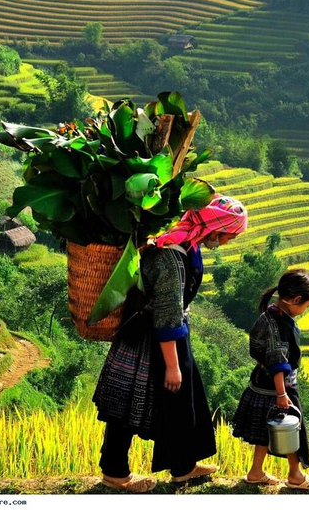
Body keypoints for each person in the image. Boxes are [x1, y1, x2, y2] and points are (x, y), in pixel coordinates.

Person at [92, 194, 247, 492]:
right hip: (149, 339)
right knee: (127, 405)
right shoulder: (170, 256)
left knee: (183, 403)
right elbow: (166, 314)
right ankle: (114, 472)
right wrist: (173, 365)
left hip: (170, 334)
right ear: (216, 228)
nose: (228, 241)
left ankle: (184, 465)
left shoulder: (187, 244)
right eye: (230, 235)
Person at [231, 268, 309, 490]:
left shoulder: (271, 314)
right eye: (306, 306)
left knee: (266, 430)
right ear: (296, 299)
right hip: (279, 387)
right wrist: (282, 394)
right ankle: (295, 476)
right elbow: (276, 361)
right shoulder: (277, 324)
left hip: (262, 383)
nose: (304, 310)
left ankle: (255, 472)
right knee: (290, 426)